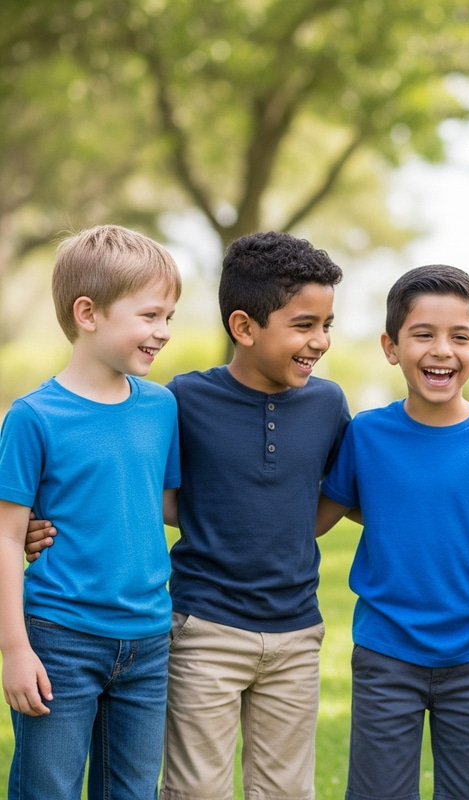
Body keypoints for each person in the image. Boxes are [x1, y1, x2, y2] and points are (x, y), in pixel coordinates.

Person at [315, 264, 469, 800]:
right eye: (423, 334)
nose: (442, 350)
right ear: (391, 347)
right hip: (385, 651)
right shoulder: (368, 434)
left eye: (459, 337)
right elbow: (329, 513)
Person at [0, 224, 182, 800]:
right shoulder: (32, 417)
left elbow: (164, 504)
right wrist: (15, 650)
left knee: (133, 792)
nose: (164, 333)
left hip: (149, 639)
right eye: (151, 316)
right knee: (47, 789)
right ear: (88, 312)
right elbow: (6, 538)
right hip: (60, 638)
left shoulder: (161, 406)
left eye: (169, 317)